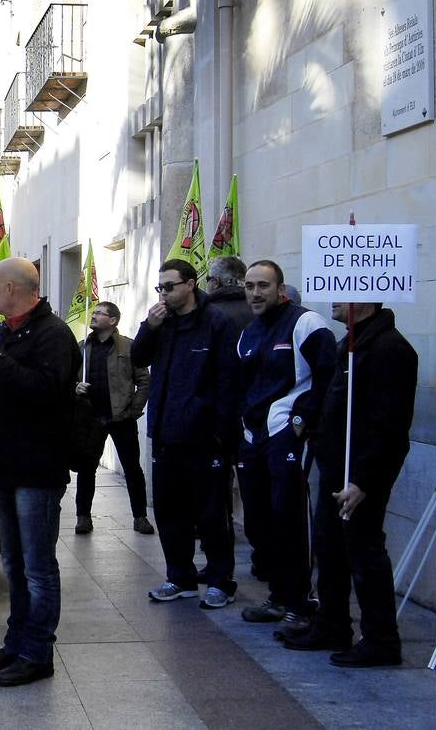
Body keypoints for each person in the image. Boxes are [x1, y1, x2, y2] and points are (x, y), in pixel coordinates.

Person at [0, 258, 79, 687]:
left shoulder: (54, 335)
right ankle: (16, 641)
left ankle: (37, 652)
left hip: (37, 468)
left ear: (12, 288)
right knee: (12, 562)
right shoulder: (4, 335)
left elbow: (43, 391)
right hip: (4, 465)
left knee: (37, 567)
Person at [285, 302, 416, 668]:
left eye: (342, 293)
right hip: (335, 469)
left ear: (364, 299)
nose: (333, 301)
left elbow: (388, 425)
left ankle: (381, 640)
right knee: (330, 549)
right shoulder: (351, 344)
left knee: (365, 552)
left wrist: (363, 480)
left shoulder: (390, 348)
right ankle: (332, 624)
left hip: (359, 476)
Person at [132, 258, 239, 610]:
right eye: (160, 287)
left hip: (203, 435)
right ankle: (179, 577)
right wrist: (149, 326)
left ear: (191, 284)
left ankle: (221, 580)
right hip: (166, 432)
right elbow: (138, 357)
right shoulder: (162, 323)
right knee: (168, 509)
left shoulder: (216, 322)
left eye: (169, 286)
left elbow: (227, 380)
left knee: (209, 512)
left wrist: (220, 431)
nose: (163, 293)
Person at [235, 260, 335, 625]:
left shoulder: (306, 323)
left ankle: (299, 601)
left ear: (280, 288)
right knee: (259, 522)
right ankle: (278, 597)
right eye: (249, 286)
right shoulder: (247, 333)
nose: (255, 293)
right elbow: (242, 386)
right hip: (252, 438)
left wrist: (303, 420)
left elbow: (328, 378)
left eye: (263, 285)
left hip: (286, 436)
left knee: (289, 517)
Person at [72, 301, 153, 536]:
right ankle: (83, 517)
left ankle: (140, 517)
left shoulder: (128, 347)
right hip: (91, 417)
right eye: (94, 312)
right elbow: (68, 378)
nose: (94, 315)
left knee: (132, 469)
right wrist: (75, 388)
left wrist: (135, 408)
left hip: (121, 417)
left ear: (113, 320)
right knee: (87, 469)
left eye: (99, 313)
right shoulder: (82, 348)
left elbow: (144, 380)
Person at [204, 256, 253, 334]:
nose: (207, 284)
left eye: (208, 279)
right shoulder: (258, 308)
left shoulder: (207, 314)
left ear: (216, 282)